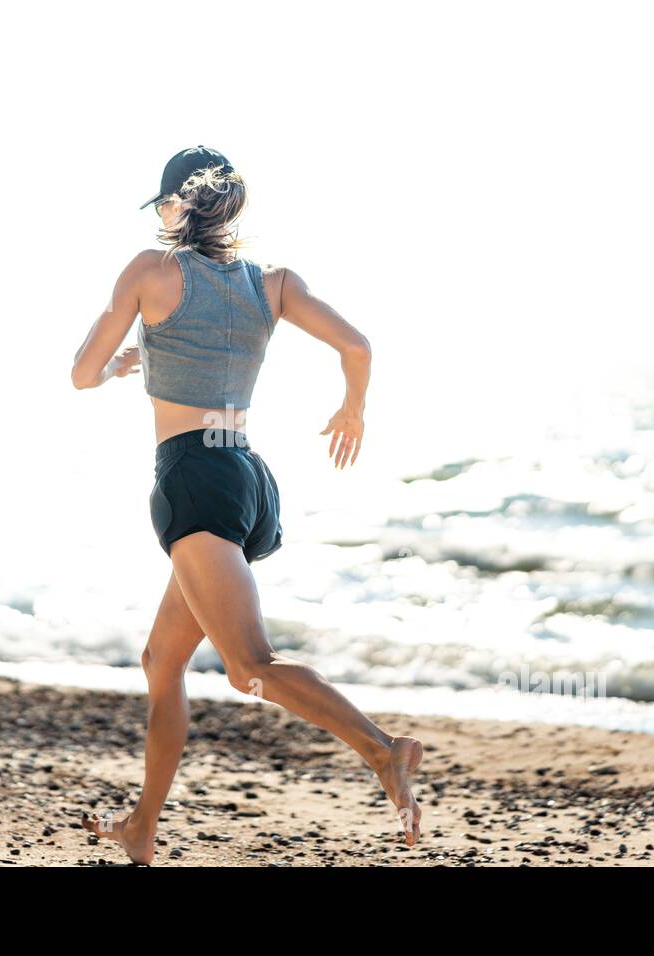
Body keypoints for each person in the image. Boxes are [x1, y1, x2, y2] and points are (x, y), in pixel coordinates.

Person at [70, 145, 423, 864]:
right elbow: (356, 347)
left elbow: (79, 373)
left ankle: (383, 752)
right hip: (247, 479)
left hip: (193, 480)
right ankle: (142, 826)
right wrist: (351, 411)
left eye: (164, 203)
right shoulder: (274, 283)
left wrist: (116, 366)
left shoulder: (149, 270)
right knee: (161, 661)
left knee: (248, 666)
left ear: (175, 206)